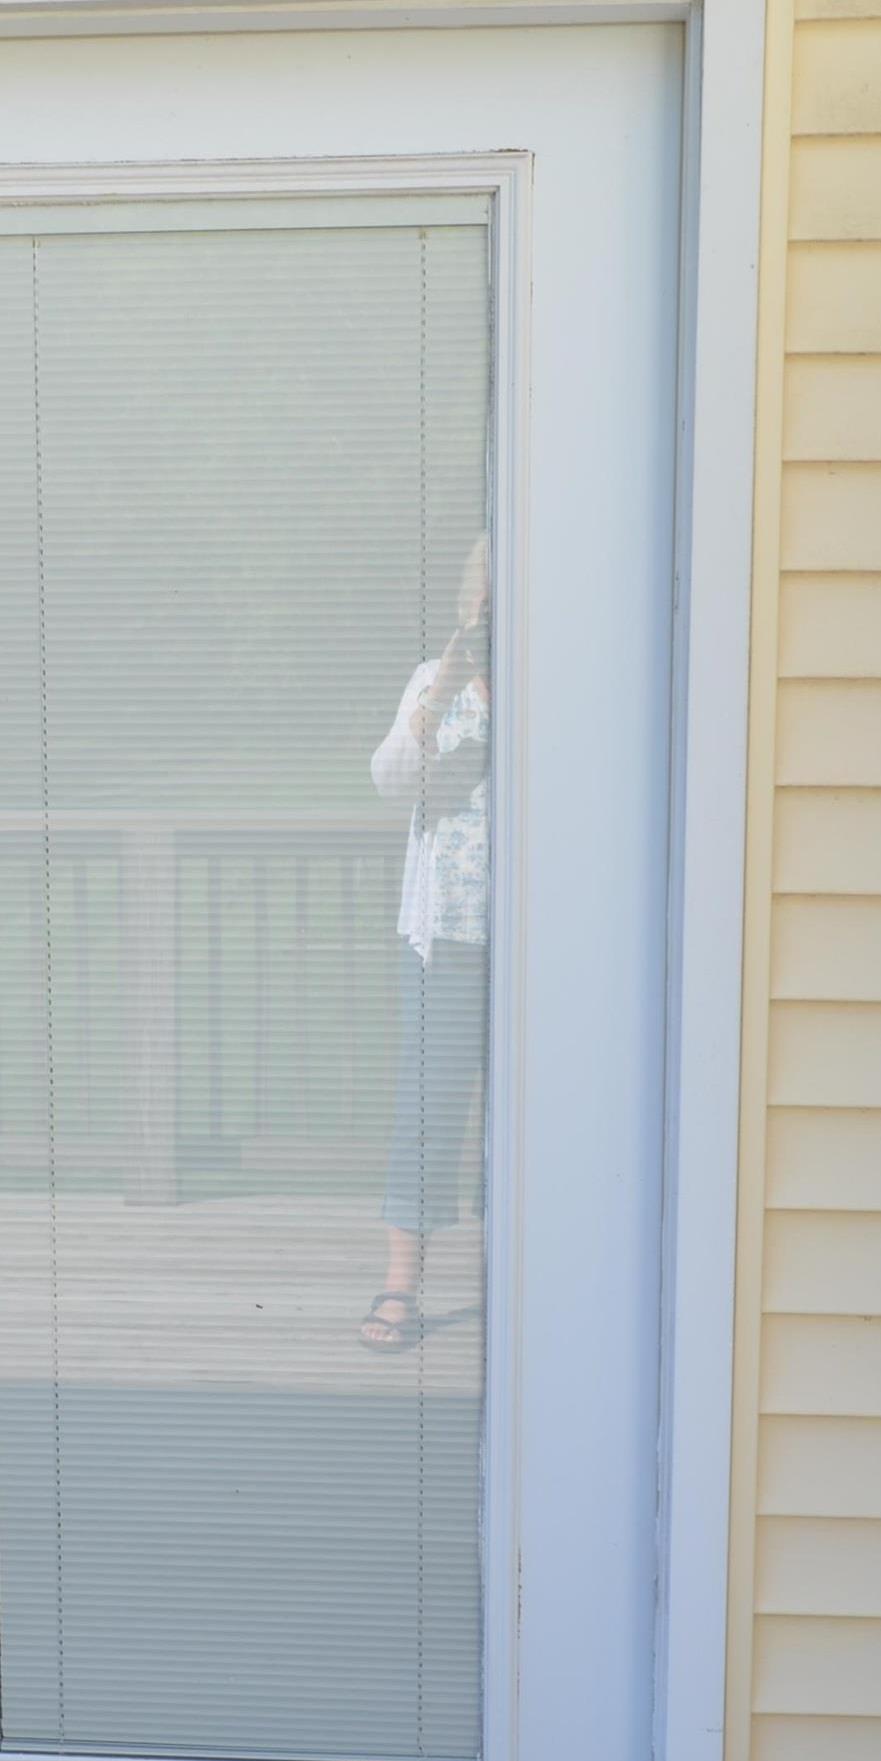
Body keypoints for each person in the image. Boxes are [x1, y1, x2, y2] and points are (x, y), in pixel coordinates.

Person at [360, 539, 491, 1352]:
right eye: (476, 590)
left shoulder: (560, 678)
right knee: (428, 1112)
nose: (482, 605)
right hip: (443, 938)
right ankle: (402, 1287)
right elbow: (389, 780)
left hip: (537, 942)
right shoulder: (429, 683)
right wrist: (434, 703)